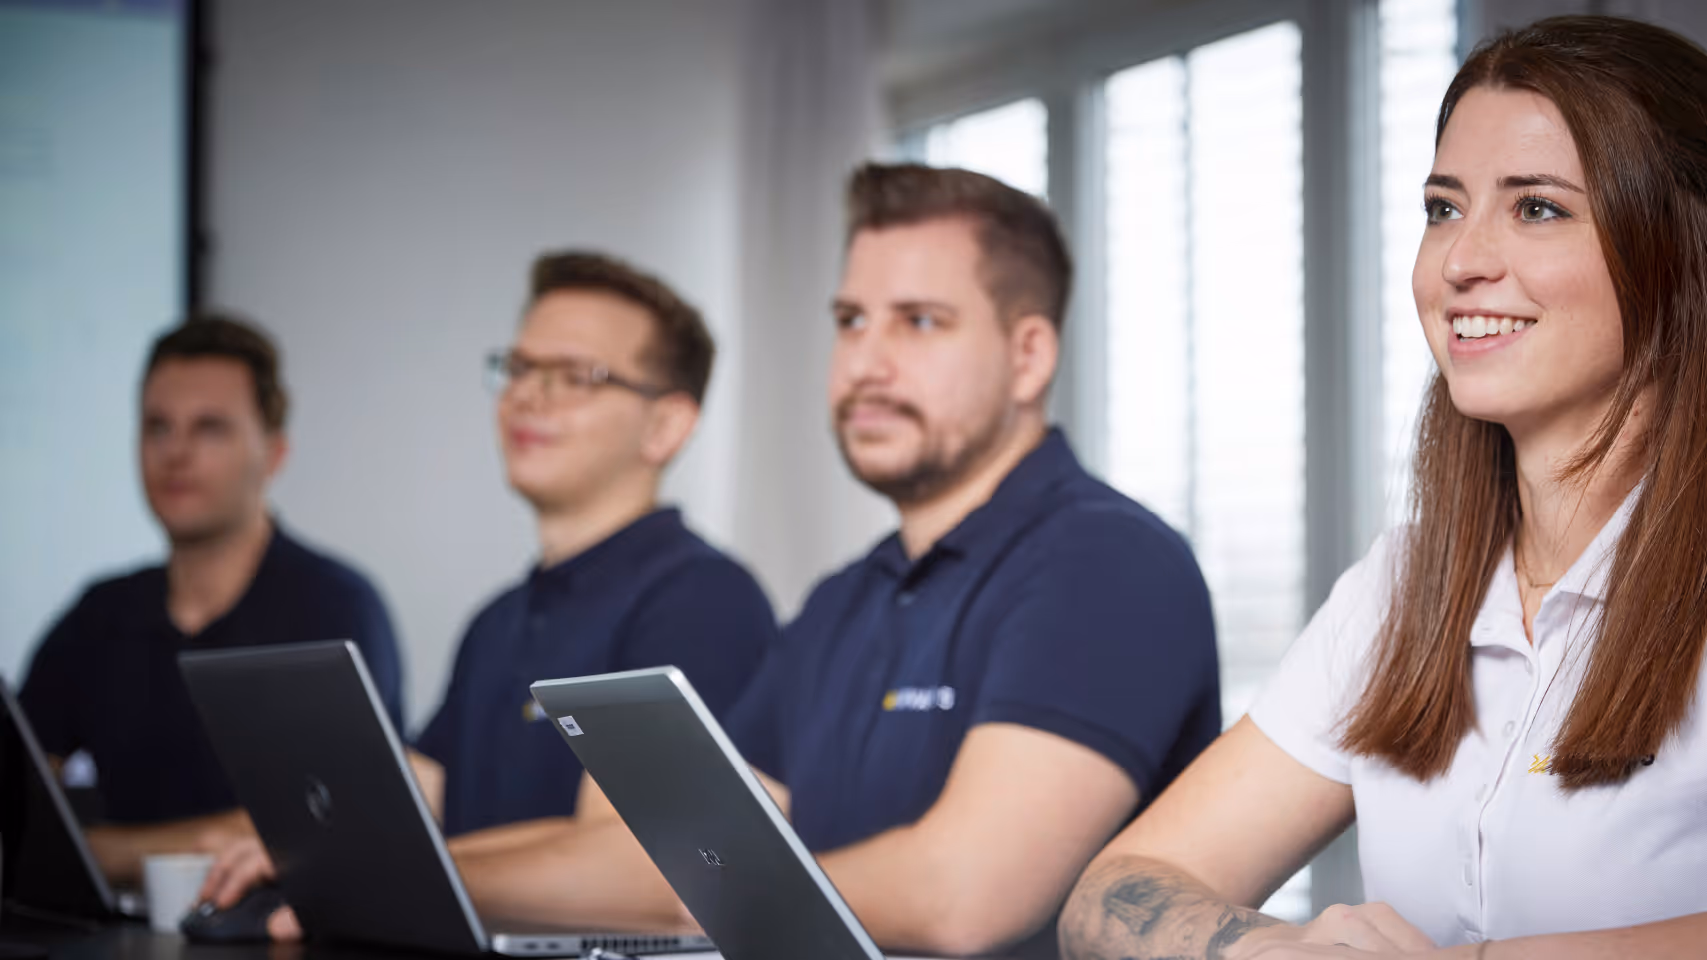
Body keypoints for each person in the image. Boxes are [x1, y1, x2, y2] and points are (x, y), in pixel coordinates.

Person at [1060, 16, 1707, 959]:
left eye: (1536, 207)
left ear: (1687, 256)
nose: (1460, 261)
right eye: (1443, 207)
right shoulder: (1402, 587)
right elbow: (1114, 890)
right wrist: (1265, 950)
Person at [433, 164, 1223, 956]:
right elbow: (674, 860)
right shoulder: (841, 603)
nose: (866, 362)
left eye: (918, 322)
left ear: (1028, 356)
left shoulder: (1109, 561)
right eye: (851, 320)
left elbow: (964, 895)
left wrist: (716, 892)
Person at [199, 252, 780, 929]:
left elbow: (652, 866)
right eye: (521, 367)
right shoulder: (498, 621)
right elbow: (415, 794)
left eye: (575, 376)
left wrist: (374, 875)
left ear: (667, 426)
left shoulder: (702, 600)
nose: (527, 395)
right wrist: (301, 854)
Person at [20, 314, 406, 883]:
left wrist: (95, 853)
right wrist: (197, 842)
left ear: (273, 453)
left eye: (210, 429)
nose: (175, 453)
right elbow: (17, 812)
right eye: (157, 427)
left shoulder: (336, 608)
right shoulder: (99, 616)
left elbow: (355, 829)